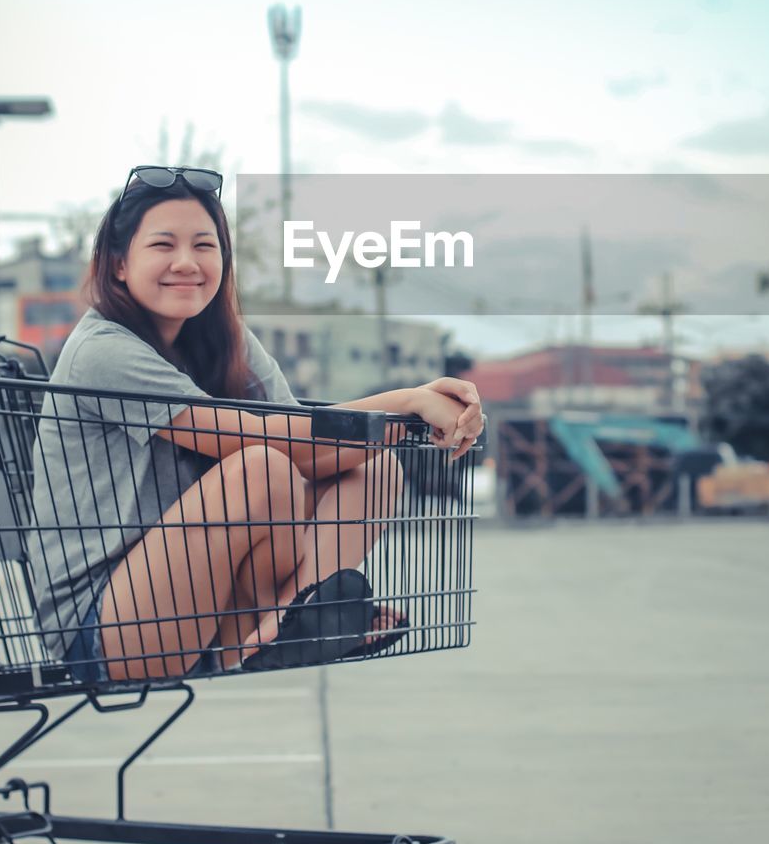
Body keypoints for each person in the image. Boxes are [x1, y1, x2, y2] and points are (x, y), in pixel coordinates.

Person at [27, 165, 483, 683]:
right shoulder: (102, 350)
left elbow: (314, 445)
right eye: (162, 245)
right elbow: (287, 448)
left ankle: (287, 622)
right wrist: (410, 403)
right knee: (263, 469)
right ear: (118, 266)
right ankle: (286, 620)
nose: (186, 262)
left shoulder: (228, 340)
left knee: (375, 469)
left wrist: (411, 416)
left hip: (207, 607)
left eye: (204, 245)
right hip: (105, 625)